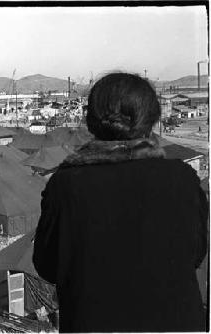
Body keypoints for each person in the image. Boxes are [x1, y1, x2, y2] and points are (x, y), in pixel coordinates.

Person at [33, 73, 208, 333]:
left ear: (91, 121)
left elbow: (47, 265)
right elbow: (196, 254)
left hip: (94, 323)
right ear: (150, 120)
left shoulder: (66, 184)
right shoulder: (183, 179)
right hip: (179, 322)